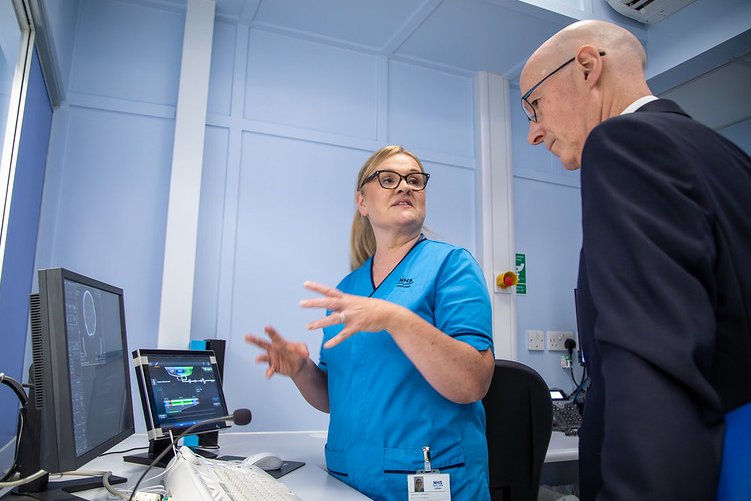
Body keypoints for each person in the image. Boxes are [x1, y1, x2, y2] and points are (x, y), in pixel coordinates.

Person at [520, 19, 751, 501]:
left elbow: (655, 370)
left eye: (534, 105)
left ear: (586, 68)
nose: (534, 134)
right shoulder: (730, 158)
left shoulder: (622, 144)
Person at [246, 145, 495, 501]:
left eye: (414, 180)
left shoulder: (451, 266)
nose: (405, 186)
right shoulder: (349, 289)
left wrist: (395, 318)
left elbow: (473, 381)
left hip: (429, 478)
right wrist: (301, 370)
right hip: (349, 482)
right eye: (389, 179)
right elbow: (337, 397)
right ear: (362, 202)